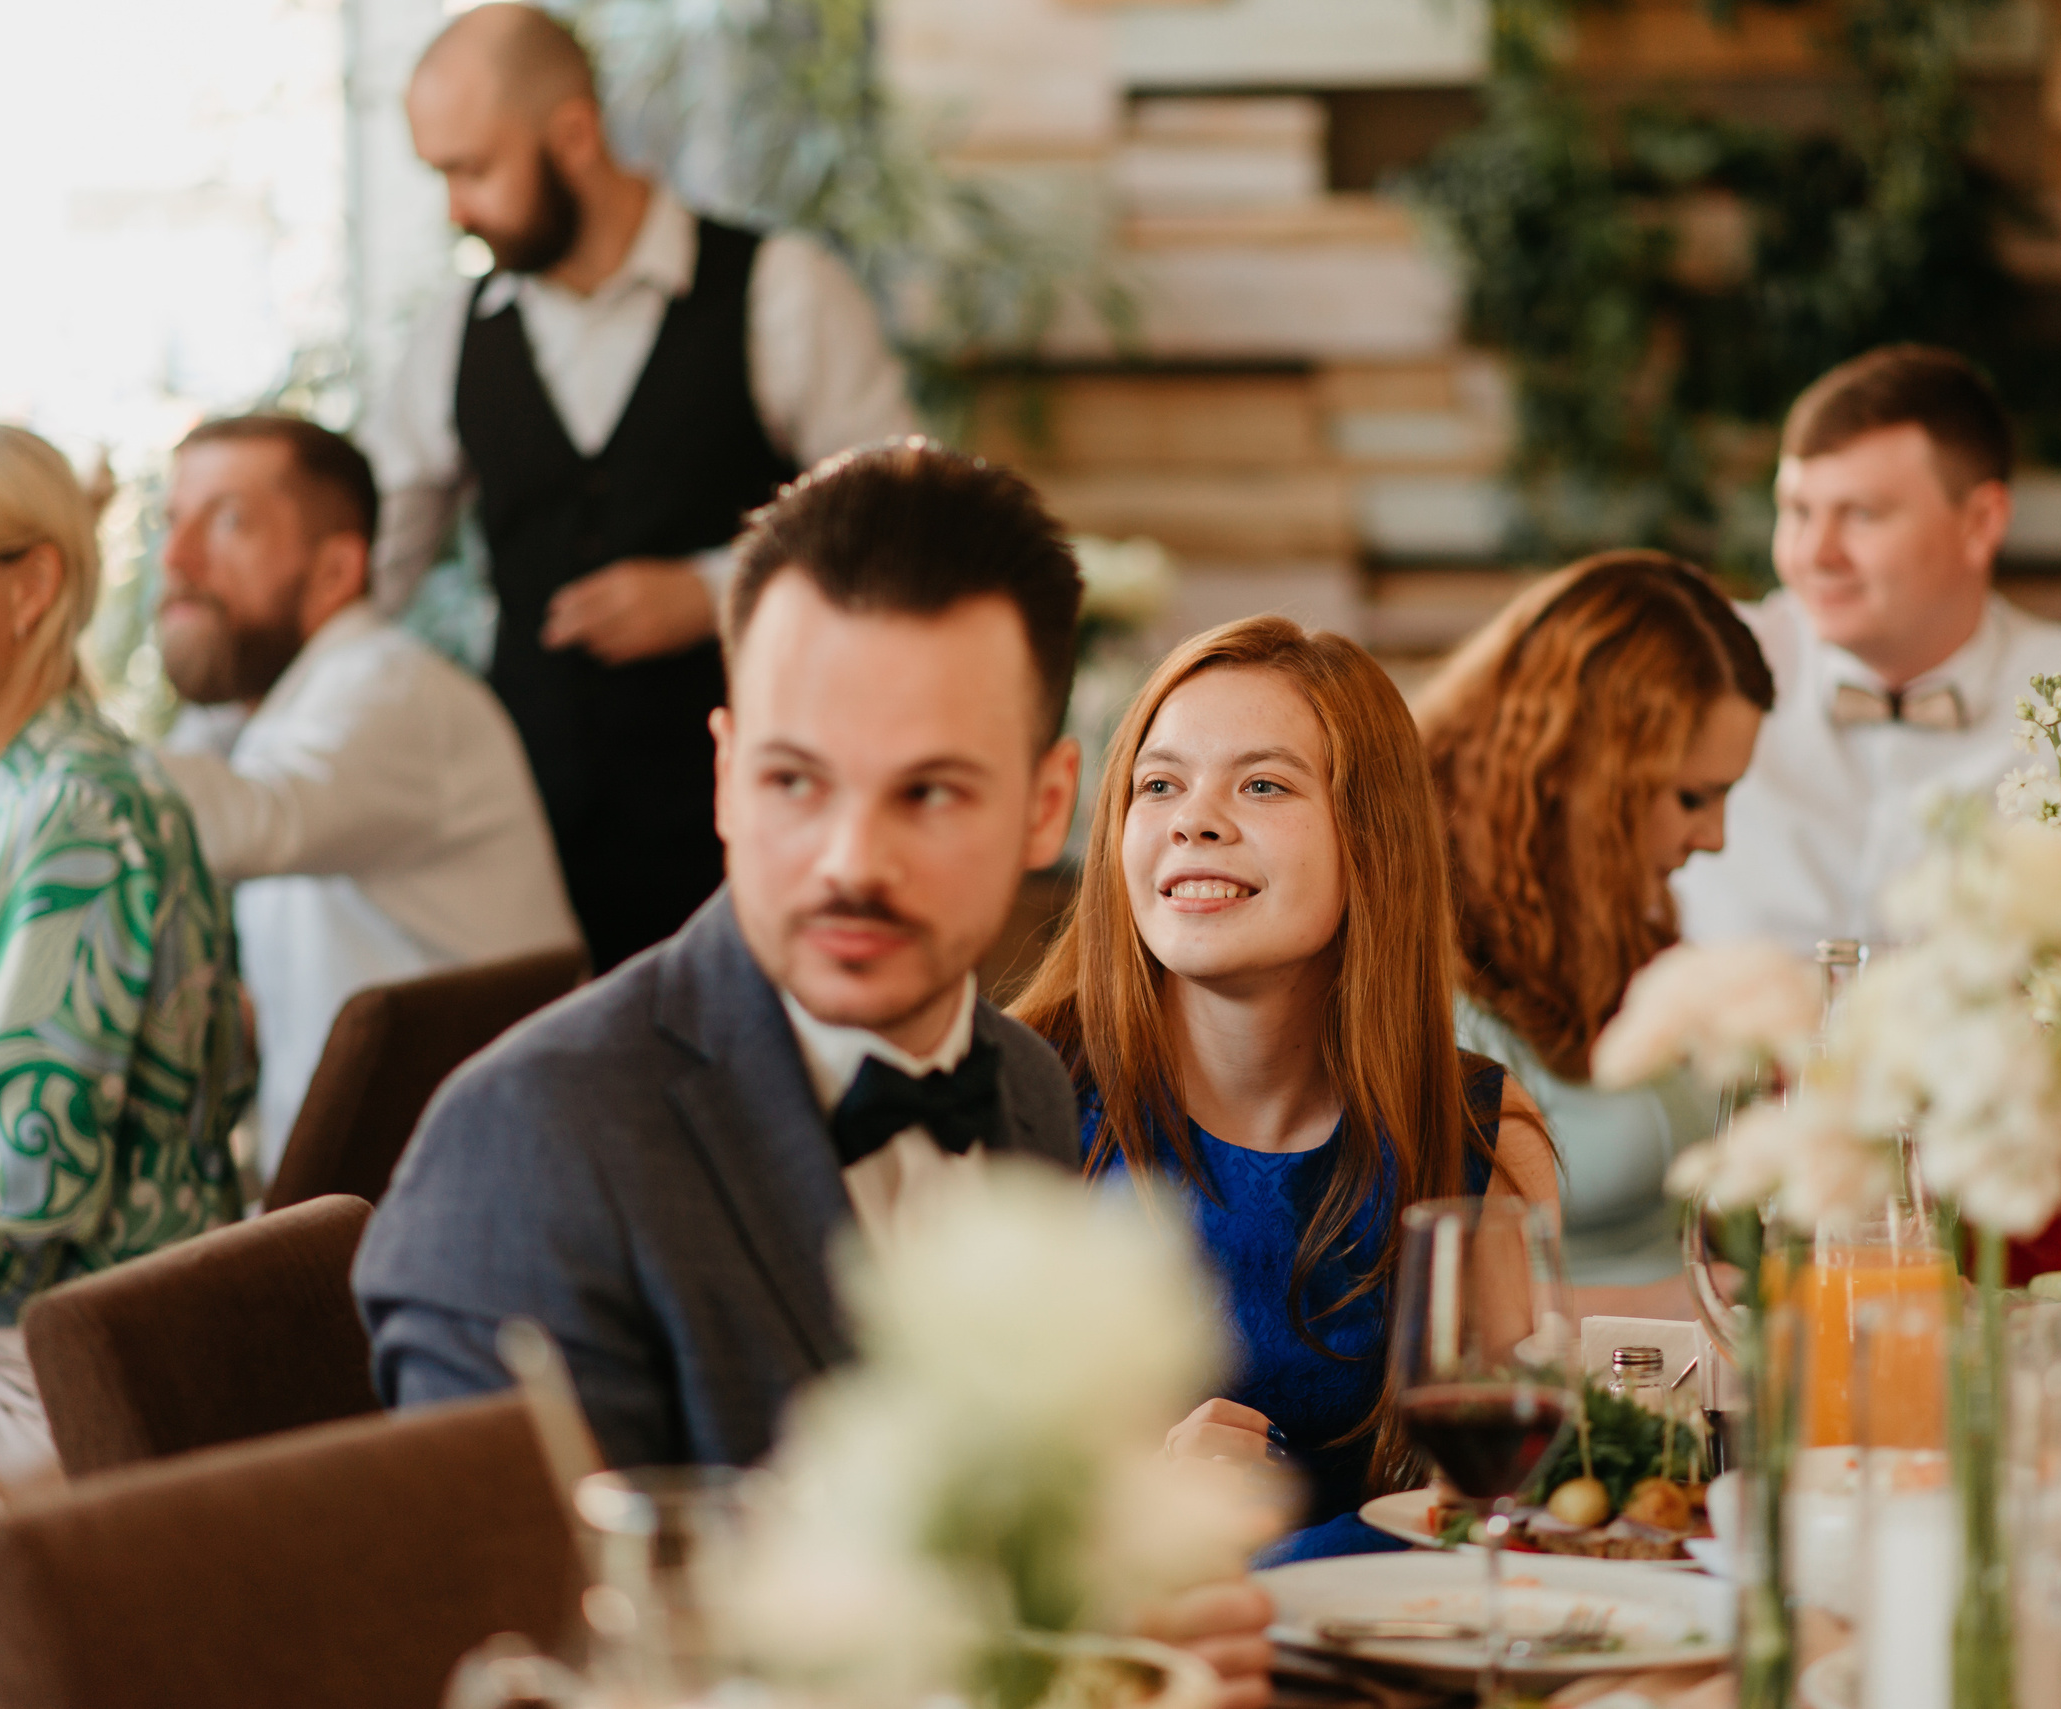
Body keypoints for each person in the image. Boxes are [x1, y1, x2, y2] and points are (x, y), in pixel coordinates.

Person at [354, 442, 1274, 1700]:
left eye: (931, 792)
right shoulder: (531, 1141)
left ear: (1045, 803)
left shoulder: (1020, 1083)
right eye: (795, 779)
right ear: (726, 770)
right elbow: (523, 1669)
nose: (851, 858)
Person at [368, 3, 918, 971]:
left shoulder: (779, 290)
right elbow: (374, 553)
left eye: (473, 169)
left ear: (573, 136)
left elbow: (905, 520)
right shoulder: (454, 332)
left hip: (749, 834)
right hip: (523, 851)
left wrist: (715, 591)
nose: (455, 209)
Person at [0, 421, 252, 1707]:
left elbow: (22, 1189)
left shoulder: (78, 815)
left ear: (30, 586)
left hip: (65, 1399)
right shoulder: (48, 792)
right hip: (23, 1342)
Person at [1009, 616, 1561, 1553]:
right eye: (1159, 784)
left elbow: (1504, 1508)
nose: (1195, 818)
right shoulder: (1022, 1097)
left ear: (1372, 837)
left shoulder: (1480, 1132)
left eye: (1262, 783)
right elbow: (954, 1505)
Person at [150, 414, 582, 1190]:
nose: (175, 560)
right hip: (358, 1196)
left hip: (481, 1204)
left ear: (336, 570)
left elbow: (252, 821)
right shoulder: (252, 712)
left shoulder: (390, 687)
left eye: (229, 521)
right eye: (170, 522)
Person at [1671, 344, 2061, 952]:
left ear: (1980, 524)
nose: (1814, 554)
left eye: (1860, 514)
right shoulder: (1705, 665)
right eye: (1797, 511)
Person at [1413, 552, 1774, 1290]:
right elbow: (1458, 1317)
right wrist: (1738, 1306)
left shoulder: (1614, 922)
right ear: (1589, 777)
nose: (1715, 839)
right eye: (1692, 798)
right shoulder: (1432, 963)